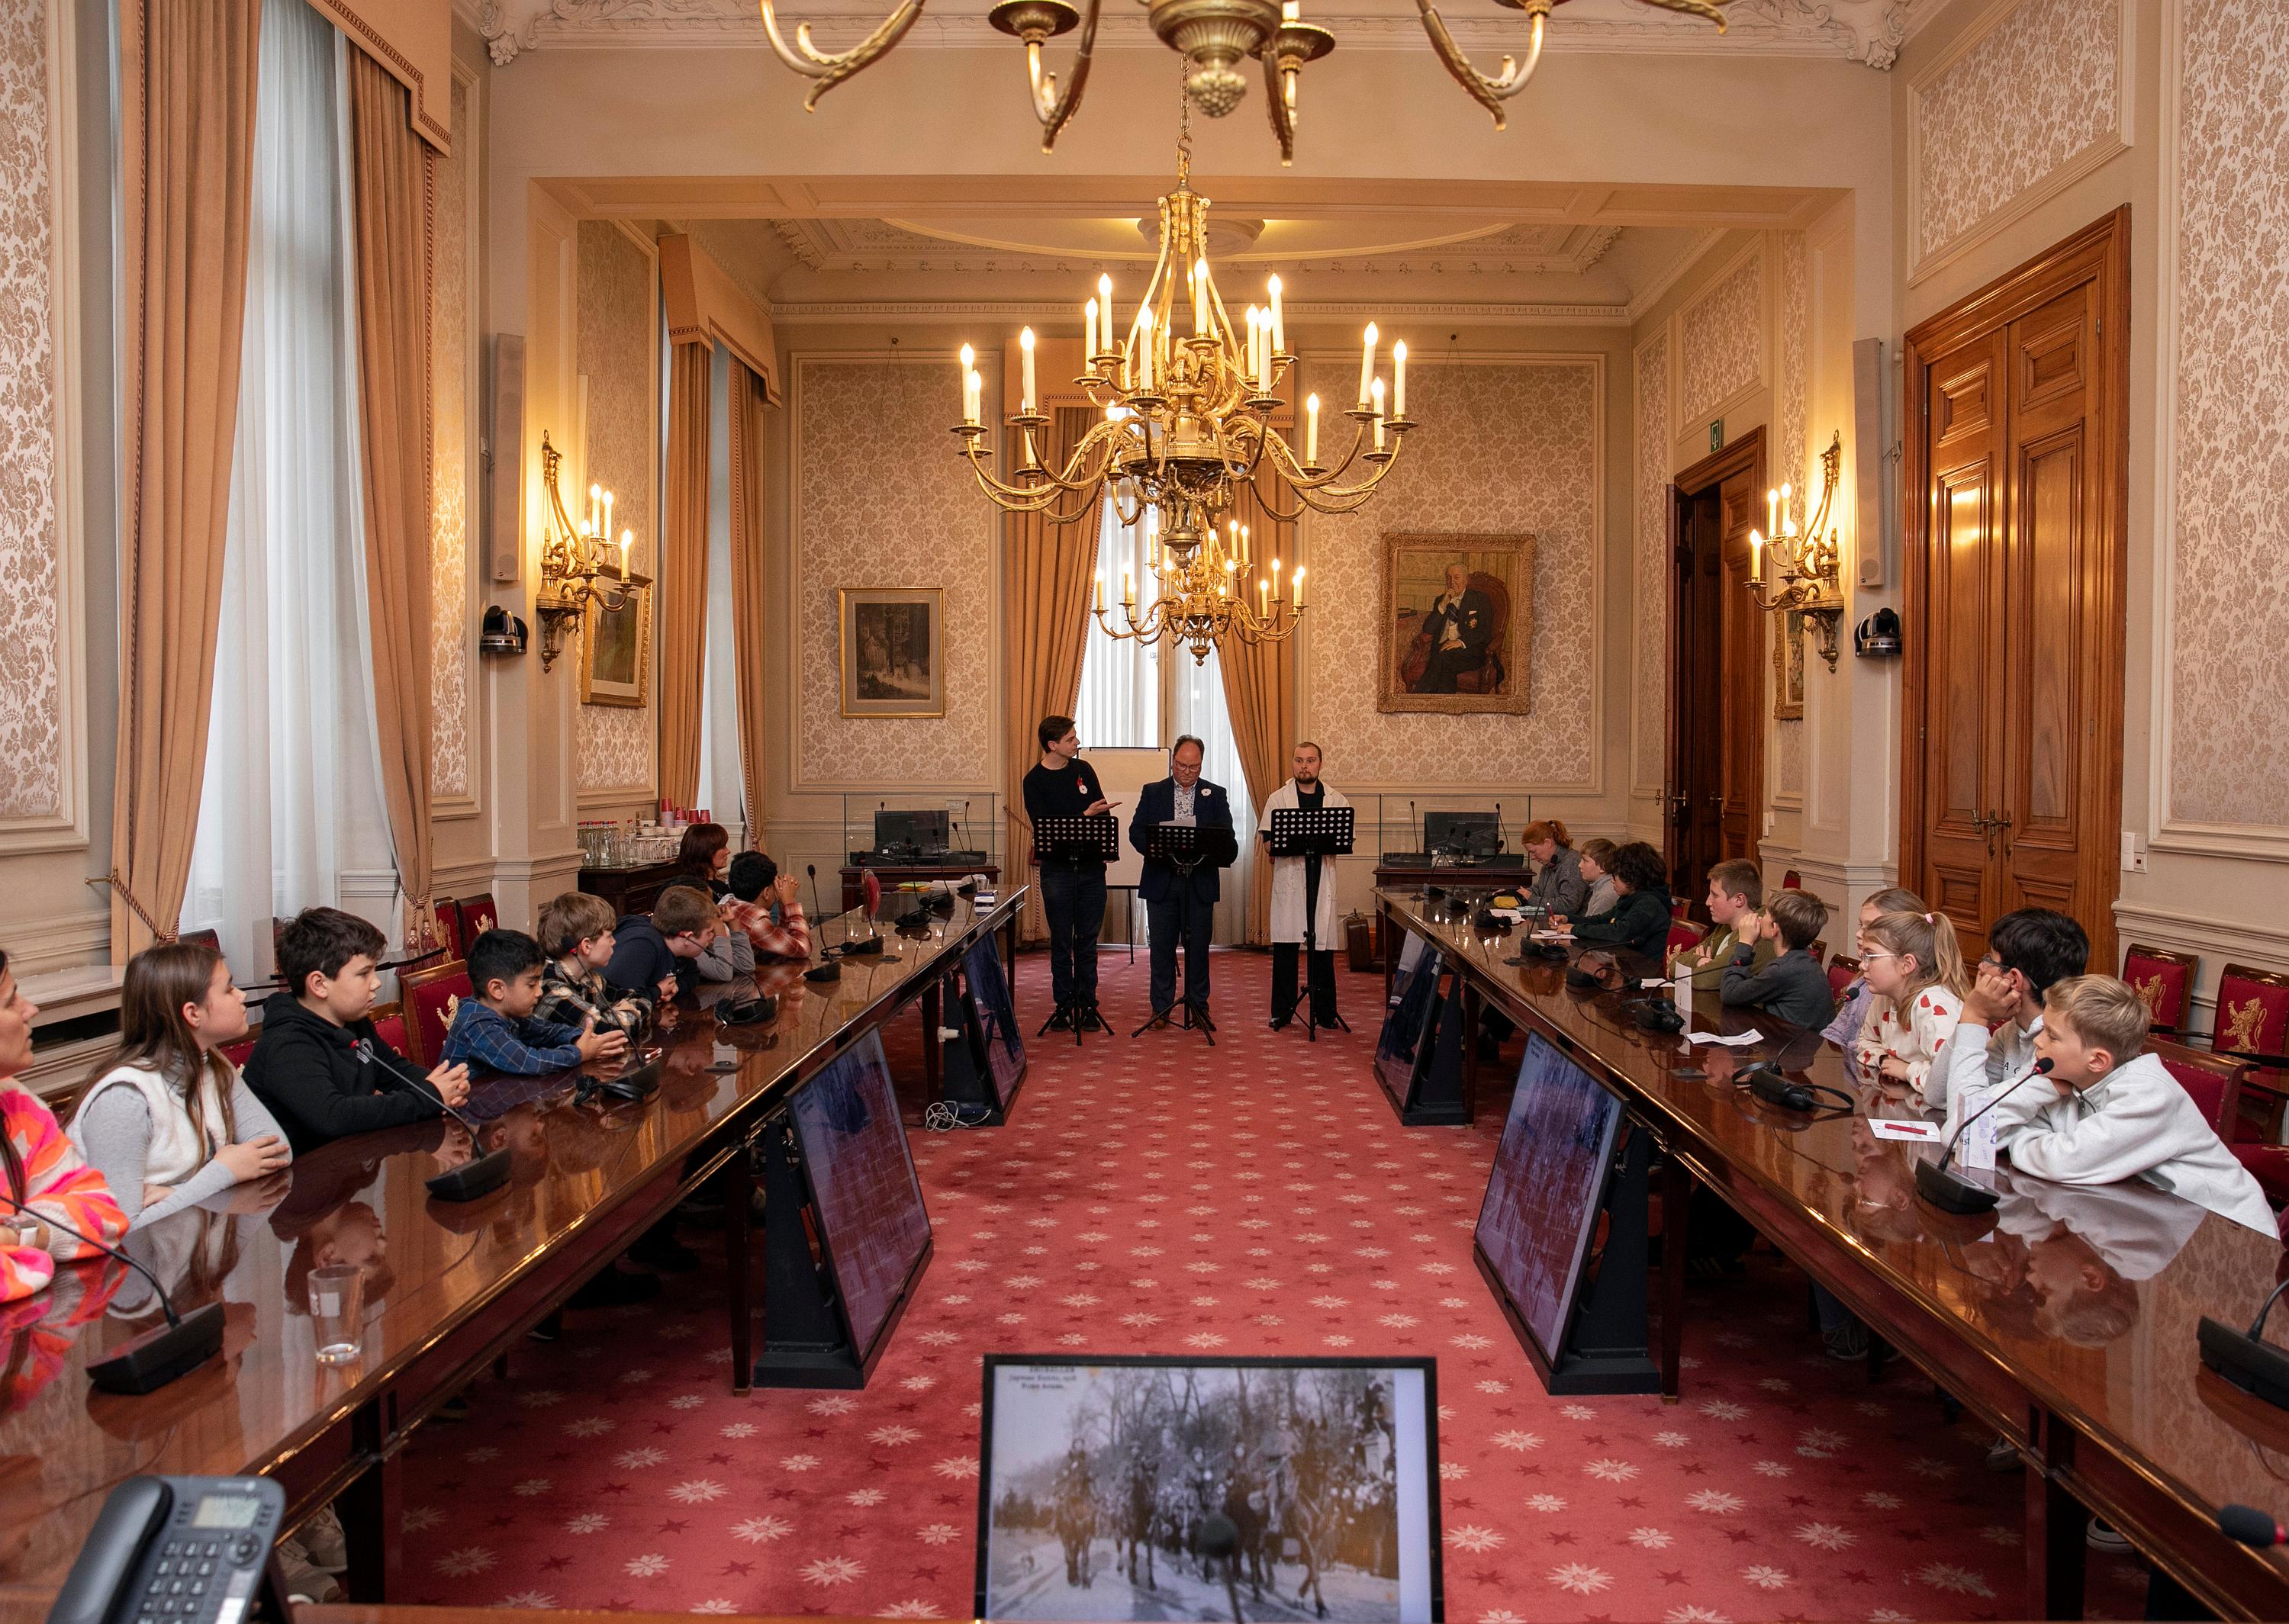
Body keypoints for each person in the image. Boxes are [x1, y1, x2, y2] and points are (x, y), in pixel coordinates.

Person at [1989, 976, 2275, 1236]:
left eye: (2051, 1035)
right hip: (2155, 1217)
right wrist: (2037, 1090)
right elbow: (1973, 1128)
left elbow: (2065, 1161)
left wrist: (2017, 1140)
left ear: (2098, 1060)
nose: (2037, 1041)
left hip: (2229, 1232)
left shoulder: (2148, 1093)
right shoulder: (2063, 1075)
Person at [69, 941, 294, 1230]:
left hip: (192, 1249)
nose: (240, 996)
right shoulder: (124, 1098)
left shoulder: (212, 1064)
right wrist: (223, 1173)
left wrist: (177, 1194)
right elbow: (118, 1229)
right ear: (192, 1014)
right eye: (228, 989)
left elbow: (278, 1151)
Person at [246, 908, 473, 1156]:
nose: (376, 983)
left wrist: (447, 1087)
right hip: (296, 1184)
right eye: (364, 974)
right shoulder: (287, 1044)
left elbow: (393, 1070)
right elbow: (334, 1116)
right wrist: (429, 1097)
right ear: (319, 984)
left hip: (347, 1168)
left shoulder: (354, 1022)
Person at [0, 947, 130, 1304]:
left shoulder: (14, 1103)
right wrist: (40, 1244)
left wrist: (14, 1236)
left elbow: (103, 1216)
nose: (31, 1009)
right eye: (11, 1002)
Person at [1936, 908, 2088, 1121]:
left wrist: (1975, 1017)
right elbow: (1936, 1095)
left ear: (2013, 979)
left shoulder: (2056, 1047)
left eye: (1990, 959)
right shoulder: (2011, 1032)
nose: (1981, 966)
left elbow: (1969, 1125)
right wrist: (1969, 1022)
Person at [1131, 735, 1234, 1023]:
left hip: (1198, 882)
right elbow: (1136, 832)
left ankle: (1199, 1005)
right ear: (1172, 761)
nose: (1186, 772)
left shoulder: (1215, 794)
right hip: (1162, 880)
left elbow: (1227, 837)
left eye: (1194, 767)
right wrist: (1158, 848)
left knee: (1198, 948)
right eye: (1181, 765)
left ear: (1201, 765)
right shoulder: (1153, 792)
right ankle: (1161, 1008)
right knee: (1161, 948)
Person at [1022, 714, 1116, 1029]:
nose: (1077, 742)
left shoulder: (1084, 770)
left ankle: (1088, 1005)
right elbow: (1045, 827)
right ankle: (1063, 1005)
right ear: (1053, 745)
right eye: (1070, 739)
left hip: (1091, 869)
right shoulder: (1033, 781)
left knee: (1088, 941)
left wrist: (1096, 816)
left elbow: (1100, 812)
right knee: (1062, 941)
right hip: (1057, 871)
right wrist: (1085, 814)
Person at [443, 930, 628, 1076]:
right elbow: (530, 1062)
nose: (539, 992)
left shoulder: (509, 1012)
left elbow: (549, 1031)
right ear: (497, 989)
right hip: (470, 1117)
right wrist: (580, 1053)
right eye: (531, 985)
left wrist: (579, 1038)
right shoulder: (478, 1024)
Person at [1260, 741, 1348, 1031]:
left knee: (1321, 949)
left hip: (1320, 878)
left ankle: (1325, 1012)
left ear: (1320, 764)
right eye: (1299, 761)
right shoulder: (1278, 799)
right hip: (1291, 880)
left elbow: (1343, 842)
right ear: (1293, 764)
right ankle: (1282, 1012)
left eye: (1310, 761)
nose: (1304, 766)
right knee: (1286, 949)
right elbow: (1269, 844)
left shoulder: (1337, 801)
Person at [1853, 909, 1967, 1095]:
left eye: (1870, 957)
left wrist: (1908, 1071)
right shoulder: (1884, 997)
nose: (1862, 965)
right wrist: (1883, 1060)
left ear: (1907, 964)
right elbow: (1865, 1042)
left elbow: (1951, 1080)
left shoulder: (1933, 1007)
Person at [533, 892, 661, 1040]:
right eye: (609, 936)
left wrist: (615, 1014)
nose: (614, 942)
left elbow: (638, 998)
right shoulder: (548, 983)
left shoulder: (588, 976)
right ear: (586, 946)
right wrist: (622, 1014)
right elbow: (606, 1029)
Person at [601, 885, 750, 1002]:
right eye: (709, 932)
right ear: (687, 937)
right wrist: (658, 991)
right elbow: (621, 1000)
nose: (711, 938)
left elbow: (692, 975)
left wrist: (676, 988)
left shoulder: (677, 949)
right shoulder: (644, 946)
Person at [1821, 886, 1926, 1047]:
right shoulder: (1863, 983)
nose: (1859, 933)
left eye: (1870, 927)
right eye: (1860, 925)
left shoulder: (1924, 1003)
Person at [1718, 890, 1835, 1031]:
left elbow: (1729, 994)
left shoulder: (1784, 970)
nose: (1760, 919)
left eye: (1766, 914)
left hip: (1793, 1049)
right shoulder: (1802, 961)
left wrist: (1744, 943)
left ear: (1774, 929)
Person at [1555, 841, 1672, 961]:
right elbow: (1601, 919)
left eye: (1616, 875)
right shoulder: (1630, 897)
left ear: (1632, 877)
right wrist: (1569, 919)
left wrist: (1576, 929)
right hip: (1628, 964)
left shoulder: (1649, 903)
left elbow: (1620, 932)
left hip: (1646, 969)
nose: (1612, 880)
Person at [1669, 859, 1776, 990]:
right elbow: (1674, 964)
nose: (1708, 902)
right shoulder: (1725, 927)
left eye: (1715, 895)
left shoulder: (1757, 934)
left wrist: (1705, 968)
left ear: (1739, 899)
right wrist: (1699, 961)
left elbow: (1705, 980)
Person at [1410, 563, 1494, 693]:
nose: (1452, 582)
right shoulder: (1441, 600)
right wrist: (1443, 606)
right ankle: (1445, 702)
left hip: (1470, 650)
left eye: (1456, 578)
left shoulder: (1480, 599)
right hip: (1443, 649)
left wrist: (1459, 642)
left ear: (1466, 580)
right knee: (1446, 663)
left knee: (1443, 658)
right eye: (1448, 578)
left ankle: (1419, 696)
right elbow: (1429, 629)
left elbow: (1485, 631)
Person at [719, 851, 813, 960]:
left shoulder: (733, 904)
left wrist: (783, 906)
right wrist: (790, 903)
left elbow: (781, 940)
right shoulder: (755, 921)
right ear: (767, 893)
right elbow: (803, 949)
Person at [1520, 820, 1587, 916]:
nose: (1532, 857)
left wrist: (1532, 899)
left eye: (1533, 851)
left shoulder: (1572, 862)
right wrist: (1515, 894)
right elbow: (1540, 890)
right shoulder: (1549, 864)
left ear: (1547, 843)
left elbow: (1568, 906)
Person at [674, 822, 732, 895]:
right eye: (722, 847)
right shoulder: (695, 891)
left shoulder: (719, 886)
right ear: (705, 851)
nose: (728, 851)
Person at [1578, 838, 1620, 918]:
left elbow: (1592, 928)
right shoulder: (1599, 888)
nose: (1579, 865)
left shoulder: (1605, 896)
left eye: (1585, 861)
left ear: (1602, 867)